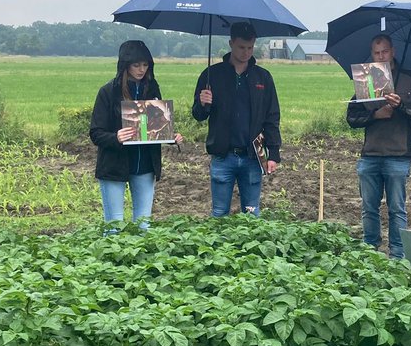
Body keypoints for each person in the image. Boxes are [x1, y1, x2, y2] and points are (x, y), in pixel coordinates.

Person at [346, 34, 411, 259]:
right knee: (368, 208)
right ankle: (370, 250)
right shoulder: (366, 78)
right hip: (370, 154)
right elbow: (352, 118)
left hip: (399, 155)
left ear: (392, 51)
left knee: (396, 209)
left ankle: (398, 254)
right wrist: (376, 114)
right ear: (372, 54)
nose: (380, 56)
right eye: (376, 52)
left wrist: (401, 105)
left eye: (384, 51)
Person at [192, 22, 281, 216]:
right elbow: (199, 115)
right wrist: (203, 103)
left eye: (250, 48)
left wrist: (273, 153)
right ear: (231, 43)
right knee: (219, 212)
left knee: (251, 213)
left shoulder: (263, 77)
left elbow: (271, 117)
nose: (246, 52)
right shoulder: (211, 75)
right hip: (223, 155)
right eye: (241, 47)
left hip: (252, 156)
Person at [89, 39, 182, 226]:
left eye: (145, 65)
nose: (141, 70)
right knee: (114, 224)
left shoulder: (152, 89)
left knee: (143, 223)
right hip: (114, 166)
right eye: (136, 65)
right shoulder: (108, 92)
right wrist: (115, 137)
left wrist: (171, 136)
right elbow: (96, 133)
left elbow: (157, 126)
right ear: (125, 66)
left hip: (145, 166)